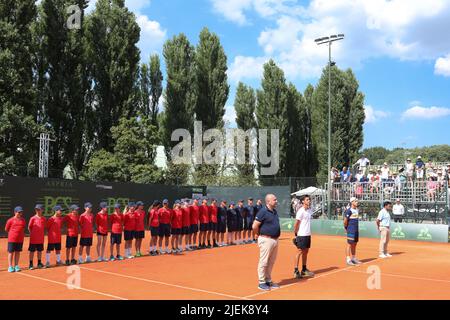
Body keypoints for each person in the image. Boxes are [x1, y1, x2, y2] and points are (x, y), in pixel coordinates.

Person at [253, 194, 281, 291]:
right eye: (274, 200)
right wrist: (257, 235)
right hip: (266, 239)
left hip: (275, 239)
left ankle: (268, 280)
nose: (276, 201)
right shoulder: (262, 211)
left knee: (271, 261)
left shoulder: (274, 211)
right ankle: (261, 282)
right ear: (268, 201)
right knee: (264, 261)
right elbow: (254, 226)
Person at [293, 195, 315, 279]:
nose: (309, 201)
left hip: (307, 234)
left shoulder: (309, 210)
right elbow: (297, 224)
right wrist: (296, 234)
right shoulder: (300, 211)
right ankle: (295, 271)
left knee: (306, 252)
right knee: (299, 252)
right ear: (303, 201)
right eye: (307, 200)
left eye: (309, 199)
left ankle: (304, 270)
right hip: (301, 235)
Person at [5, 206, 26, 273]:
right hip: (12, 239)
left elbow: (23, 228)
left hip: (20, 239)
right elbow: (6, 229)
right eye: (19, 212)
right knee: (11, 252)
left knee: (17, 252)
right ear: (15, 212)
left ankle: (16, 265)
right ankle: (10, 266)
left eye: (21, 212)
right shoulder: (10, 220)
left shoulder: (23, 220)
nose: (20, 213)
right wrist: (13, 234)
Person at [344, 197, 362, 266]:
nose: (357, 202)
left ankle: (353, 258)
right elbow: (345, 221)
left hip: (356, 230)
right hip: (351, 230)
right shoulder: (349, 211)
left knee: (354, 244)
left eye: (357, 201)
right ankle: (348, 259)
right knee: (349, 244)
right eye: (355, 201)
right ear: (352, 202)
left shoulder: (356, 210)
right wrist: (346, 228)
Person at [28, 204, 46, 270]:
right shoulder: (32, 218)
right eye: (36, 209)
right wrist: (32, 234)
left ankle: (39, 263)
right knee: (32, 251)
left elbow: (43, 227)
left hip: (40, 238)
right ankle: (31, 264)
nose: (37, 211)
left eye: (39, 209)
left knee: (39, 251)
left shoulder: (43, 219)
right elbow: (29, 227)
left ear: (42, 210)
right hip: (33, 239)